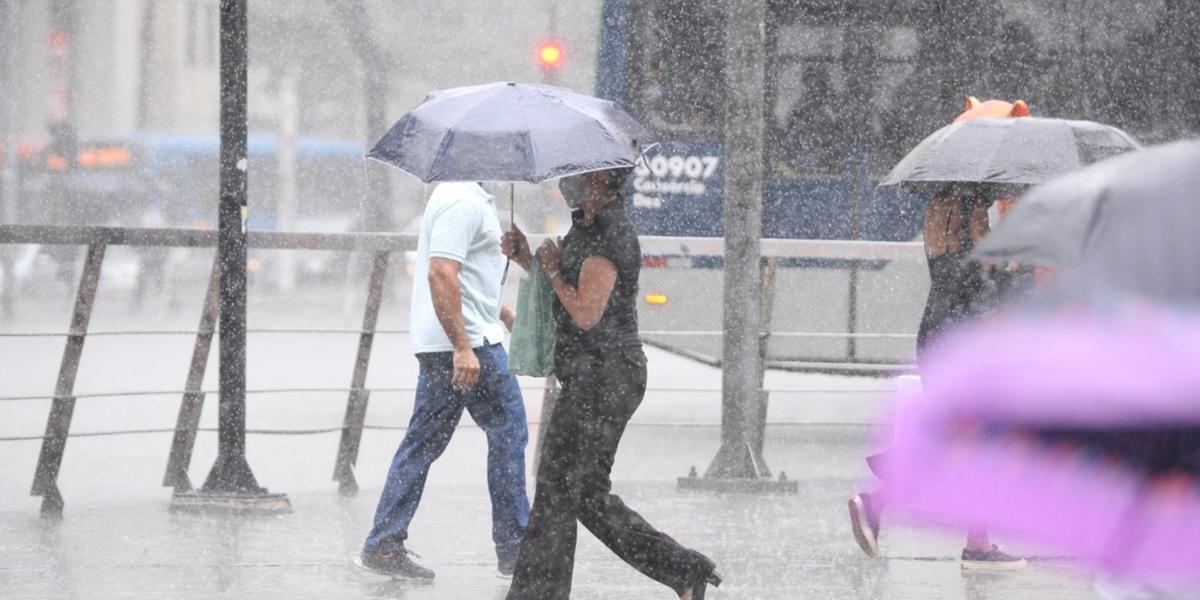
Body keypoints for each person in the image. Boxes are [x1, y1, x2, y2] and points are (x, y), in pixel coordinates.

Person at [501, 169, 721, 600]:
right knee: (583, 494)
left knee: (556, 489)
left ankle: (536, 595)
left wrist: (550, 266)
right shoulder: (584, 226)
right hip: (593, 375)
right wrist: (528, 258)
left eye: (576, 174)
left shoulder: (611, 233)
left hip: (605, 374)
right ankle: (685, 570)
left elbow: (586, 311)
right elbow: (564, 288)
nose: (567, 181)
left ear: (600, 178)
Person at [848, 187, 1027, 570]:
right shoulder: (971, 213)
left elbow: (961, 280)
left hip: (937, 334)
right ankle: (971, 542)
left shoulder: (941, 210)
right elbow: (985, 290)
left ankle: (970, 539)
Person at [358, 181, 530, 580]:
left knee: (423, 444)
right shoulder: (462, 202)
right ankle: (515, 547)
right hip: (468, 345)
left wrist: (499, 312)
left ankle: (384, 543)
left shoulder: (460, 196)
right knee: (508, 433)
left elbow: (463, 276)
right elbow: (440, 273)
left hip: (464, 338)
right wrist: (463, 347)